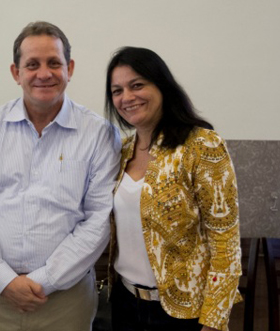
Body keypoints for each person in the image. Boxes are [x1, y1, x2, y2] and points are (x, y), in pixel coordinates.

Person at [0, 21, 120, 331]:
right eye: (32, 65)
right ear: (16, 72)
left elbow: (99, 219)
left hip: (66, 300)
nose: (44, 73)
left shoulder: (99, 134)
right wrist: (4, 280)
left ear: (69, 68)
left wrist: (45, 280)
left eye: (54, 63)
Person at [104, 46, 242, 331]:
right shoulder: (121, 150)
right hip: (125, 302)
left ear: (162, 85)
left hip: (183, 313)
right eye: (117, 91)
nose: (127, 97)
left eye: (137, 85)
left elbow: (225, 242)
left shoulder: (201, 145)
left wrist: (214, 321)